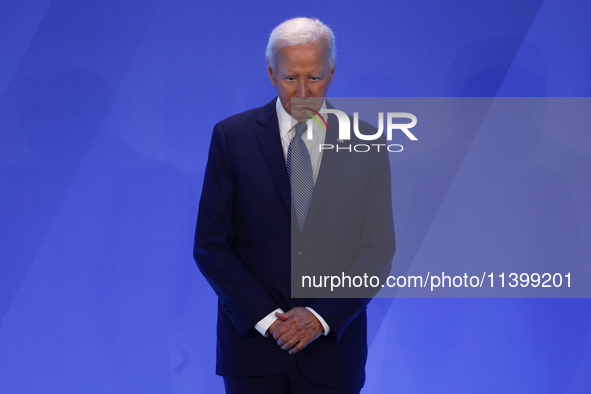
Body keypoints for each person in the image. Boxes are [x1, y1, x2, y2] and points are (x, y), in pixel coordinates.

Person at [194, 17, 395, 393]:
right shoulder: (231, 138)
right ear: (271, 73)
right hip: (253, 352)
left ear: (332, 71)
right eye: (290, 78)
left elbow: (377, 250)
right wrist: (269, 319)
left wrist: (319, 317)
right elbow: (211, 246)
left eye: (314, 78)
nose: (302, 91)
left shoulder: (366, 141)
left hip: (332, 356)